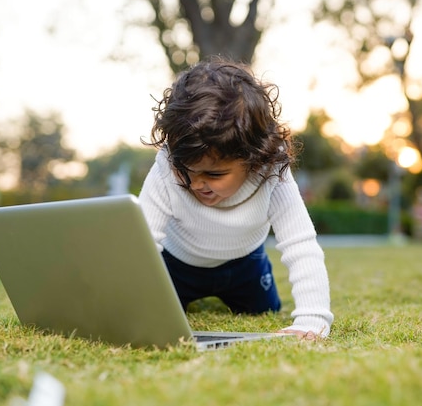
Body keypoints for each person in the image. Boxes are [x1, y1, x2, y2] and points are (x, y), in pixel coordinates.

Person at [138, 57, 333, 339]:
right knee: (160, 312)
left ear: (253, 160)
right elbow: (142, 245)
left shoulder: (271, 172)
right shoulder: (166, 165)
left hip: (245, 265)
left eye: (214, 174)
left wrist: (312, 319)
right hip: (175, 265)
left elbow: (300, 244)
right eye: (185, 171)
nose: (196, 183)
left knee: (265, 310)